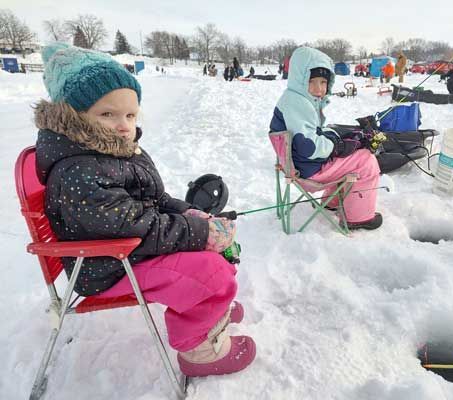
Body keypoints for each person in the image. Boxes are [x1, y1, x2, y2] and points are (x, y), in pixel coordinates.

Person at [34, 43, 256, 377]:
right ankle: (201, 352)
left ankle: (214, 310)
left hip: (129, 251)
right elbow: (131, 225)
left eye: (130, 114)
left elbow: (157, 199)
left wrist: (195, 215)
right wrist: (199, 234)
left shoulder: (116, 151)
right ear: (73, 116)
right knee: (211, 274)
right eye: (107, 114)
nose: (124, 125)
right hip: (106, 264)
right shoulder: (79, 168)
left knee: (218, 253)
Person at [269, 46, 383, 231]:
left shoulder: (295, 99)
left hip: (300, 165)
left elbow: (309, 134)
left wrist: (336, 138)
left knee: (348, 155)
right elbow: (309, 147)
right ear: (300, 79)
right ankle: (358, 217)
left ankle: (331, 202)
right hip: (309, 172)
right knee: (366, 161)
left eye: (323, 82)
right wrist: (336, 145)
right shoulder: (298, 104)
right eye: (312, 81)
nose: (319, 88)